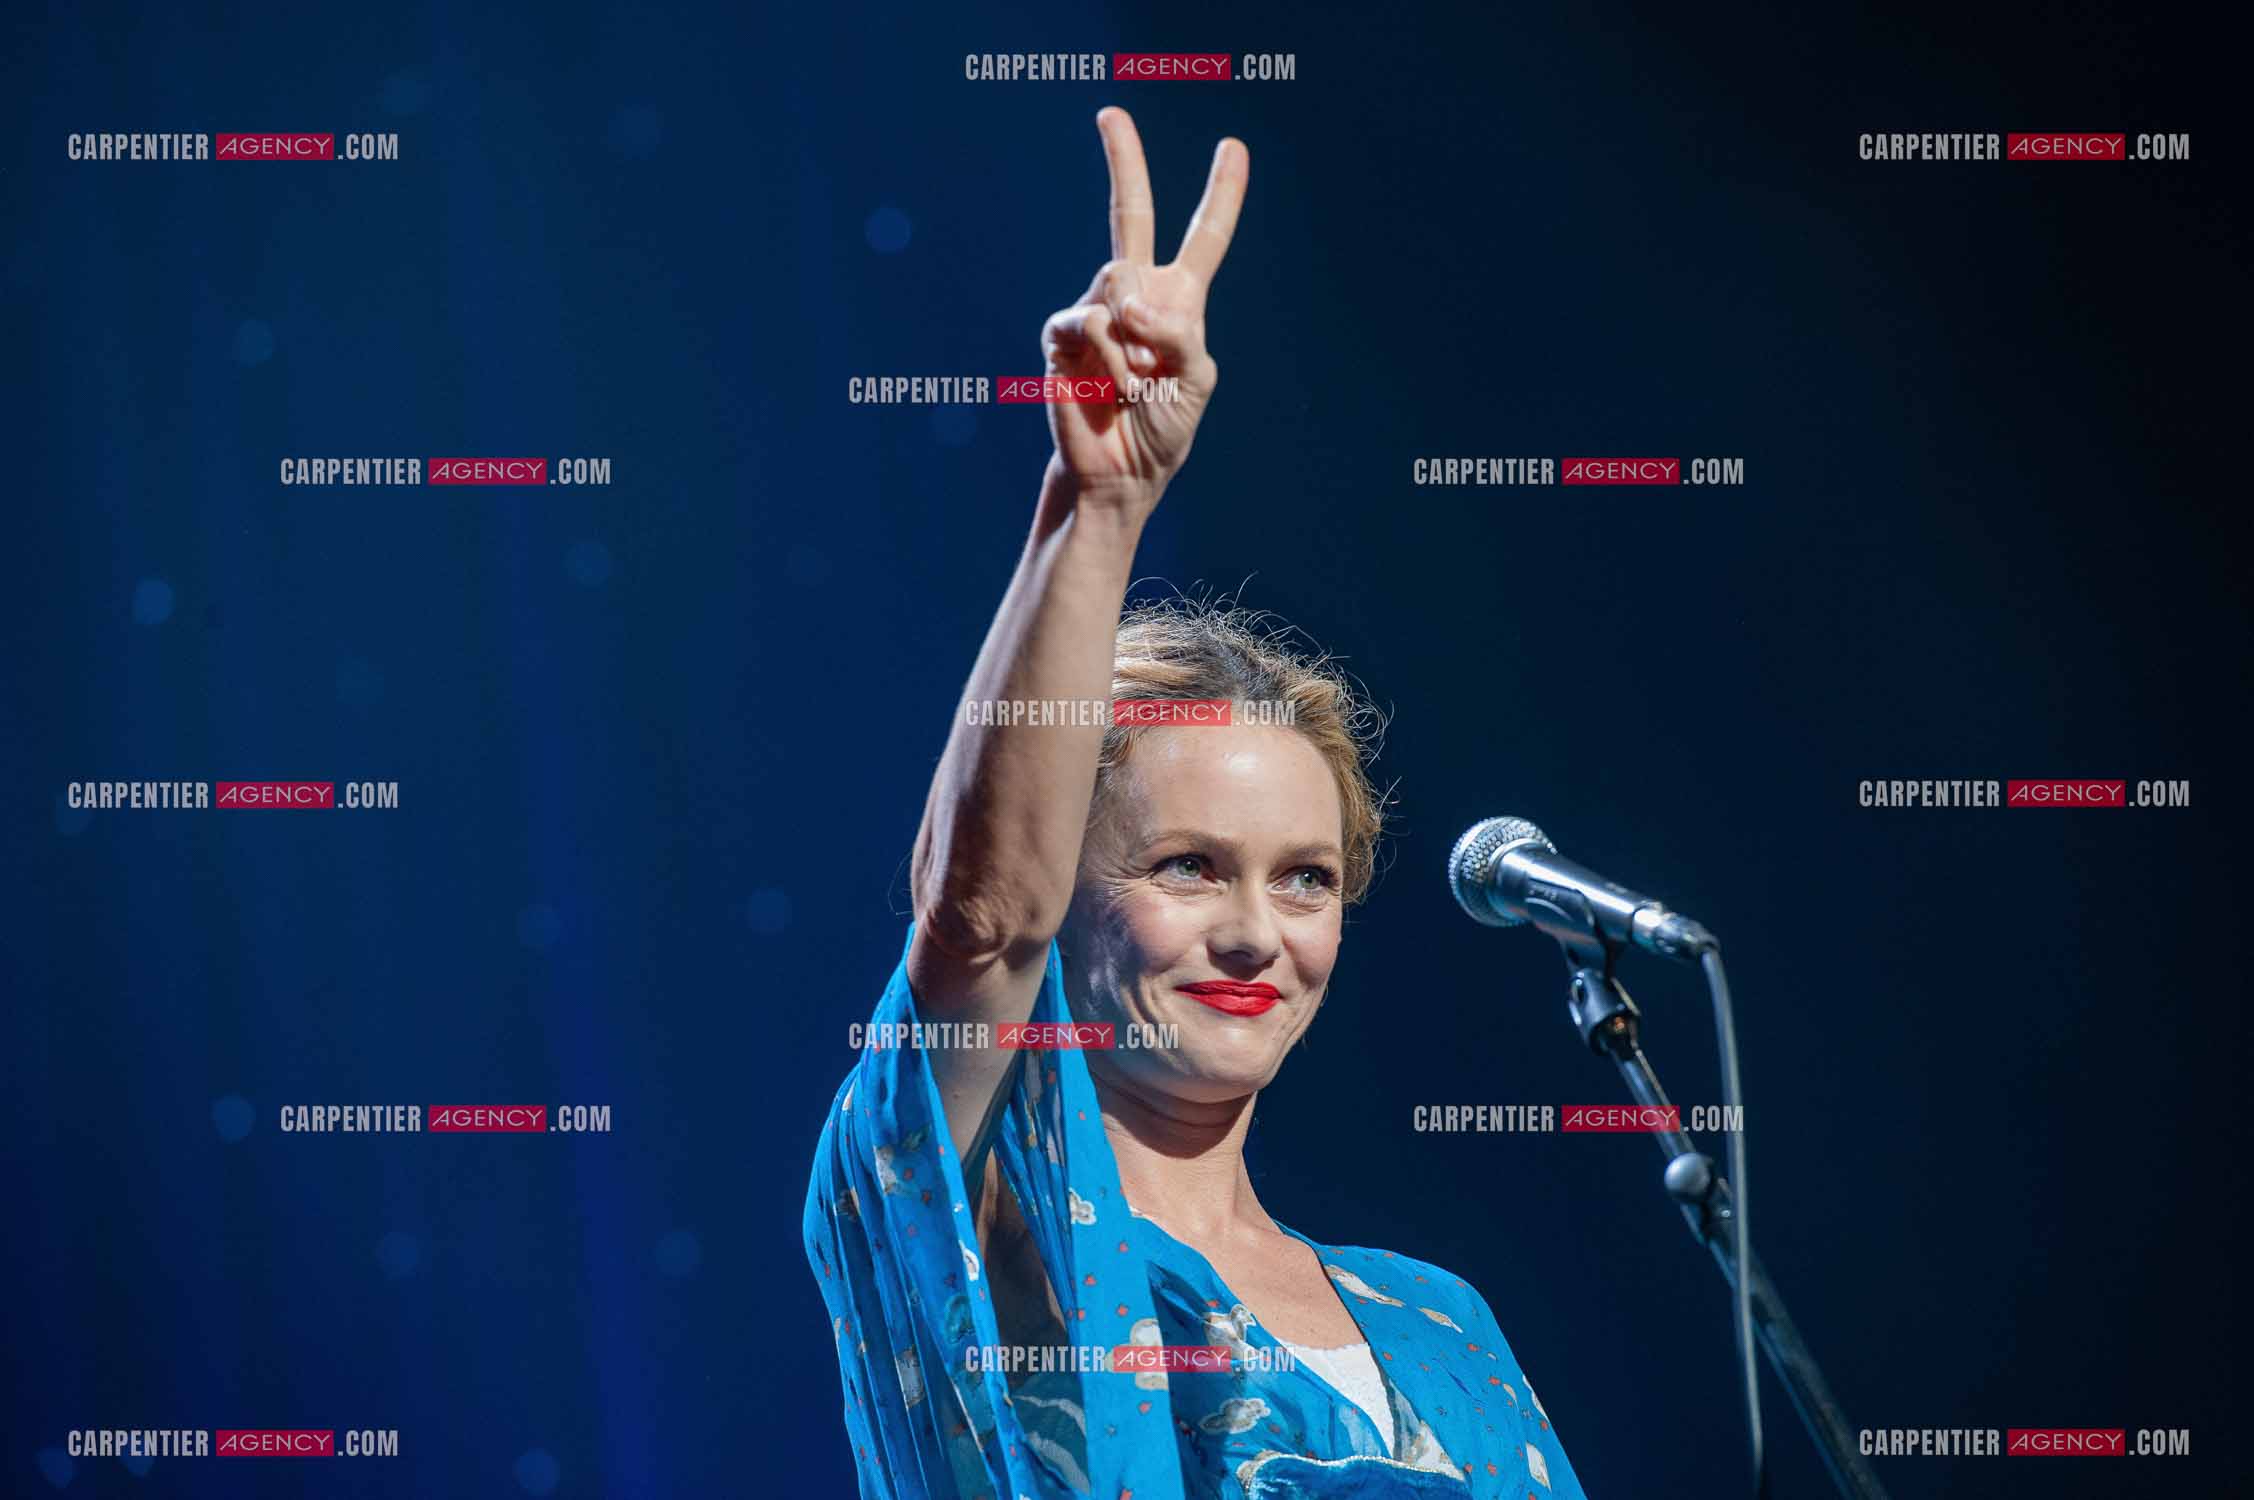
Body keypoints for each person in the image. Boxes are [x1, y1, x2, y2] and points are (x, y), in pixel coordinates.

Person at [804, 106, 1589, 1500]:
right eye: (1184, 865)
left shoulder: (1443, 1323)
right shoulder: (993, 1213)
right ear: (1069, 892)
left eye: (1305, 879)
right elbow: (980, 921)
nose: (1253, 933)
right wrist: (1095, 507)